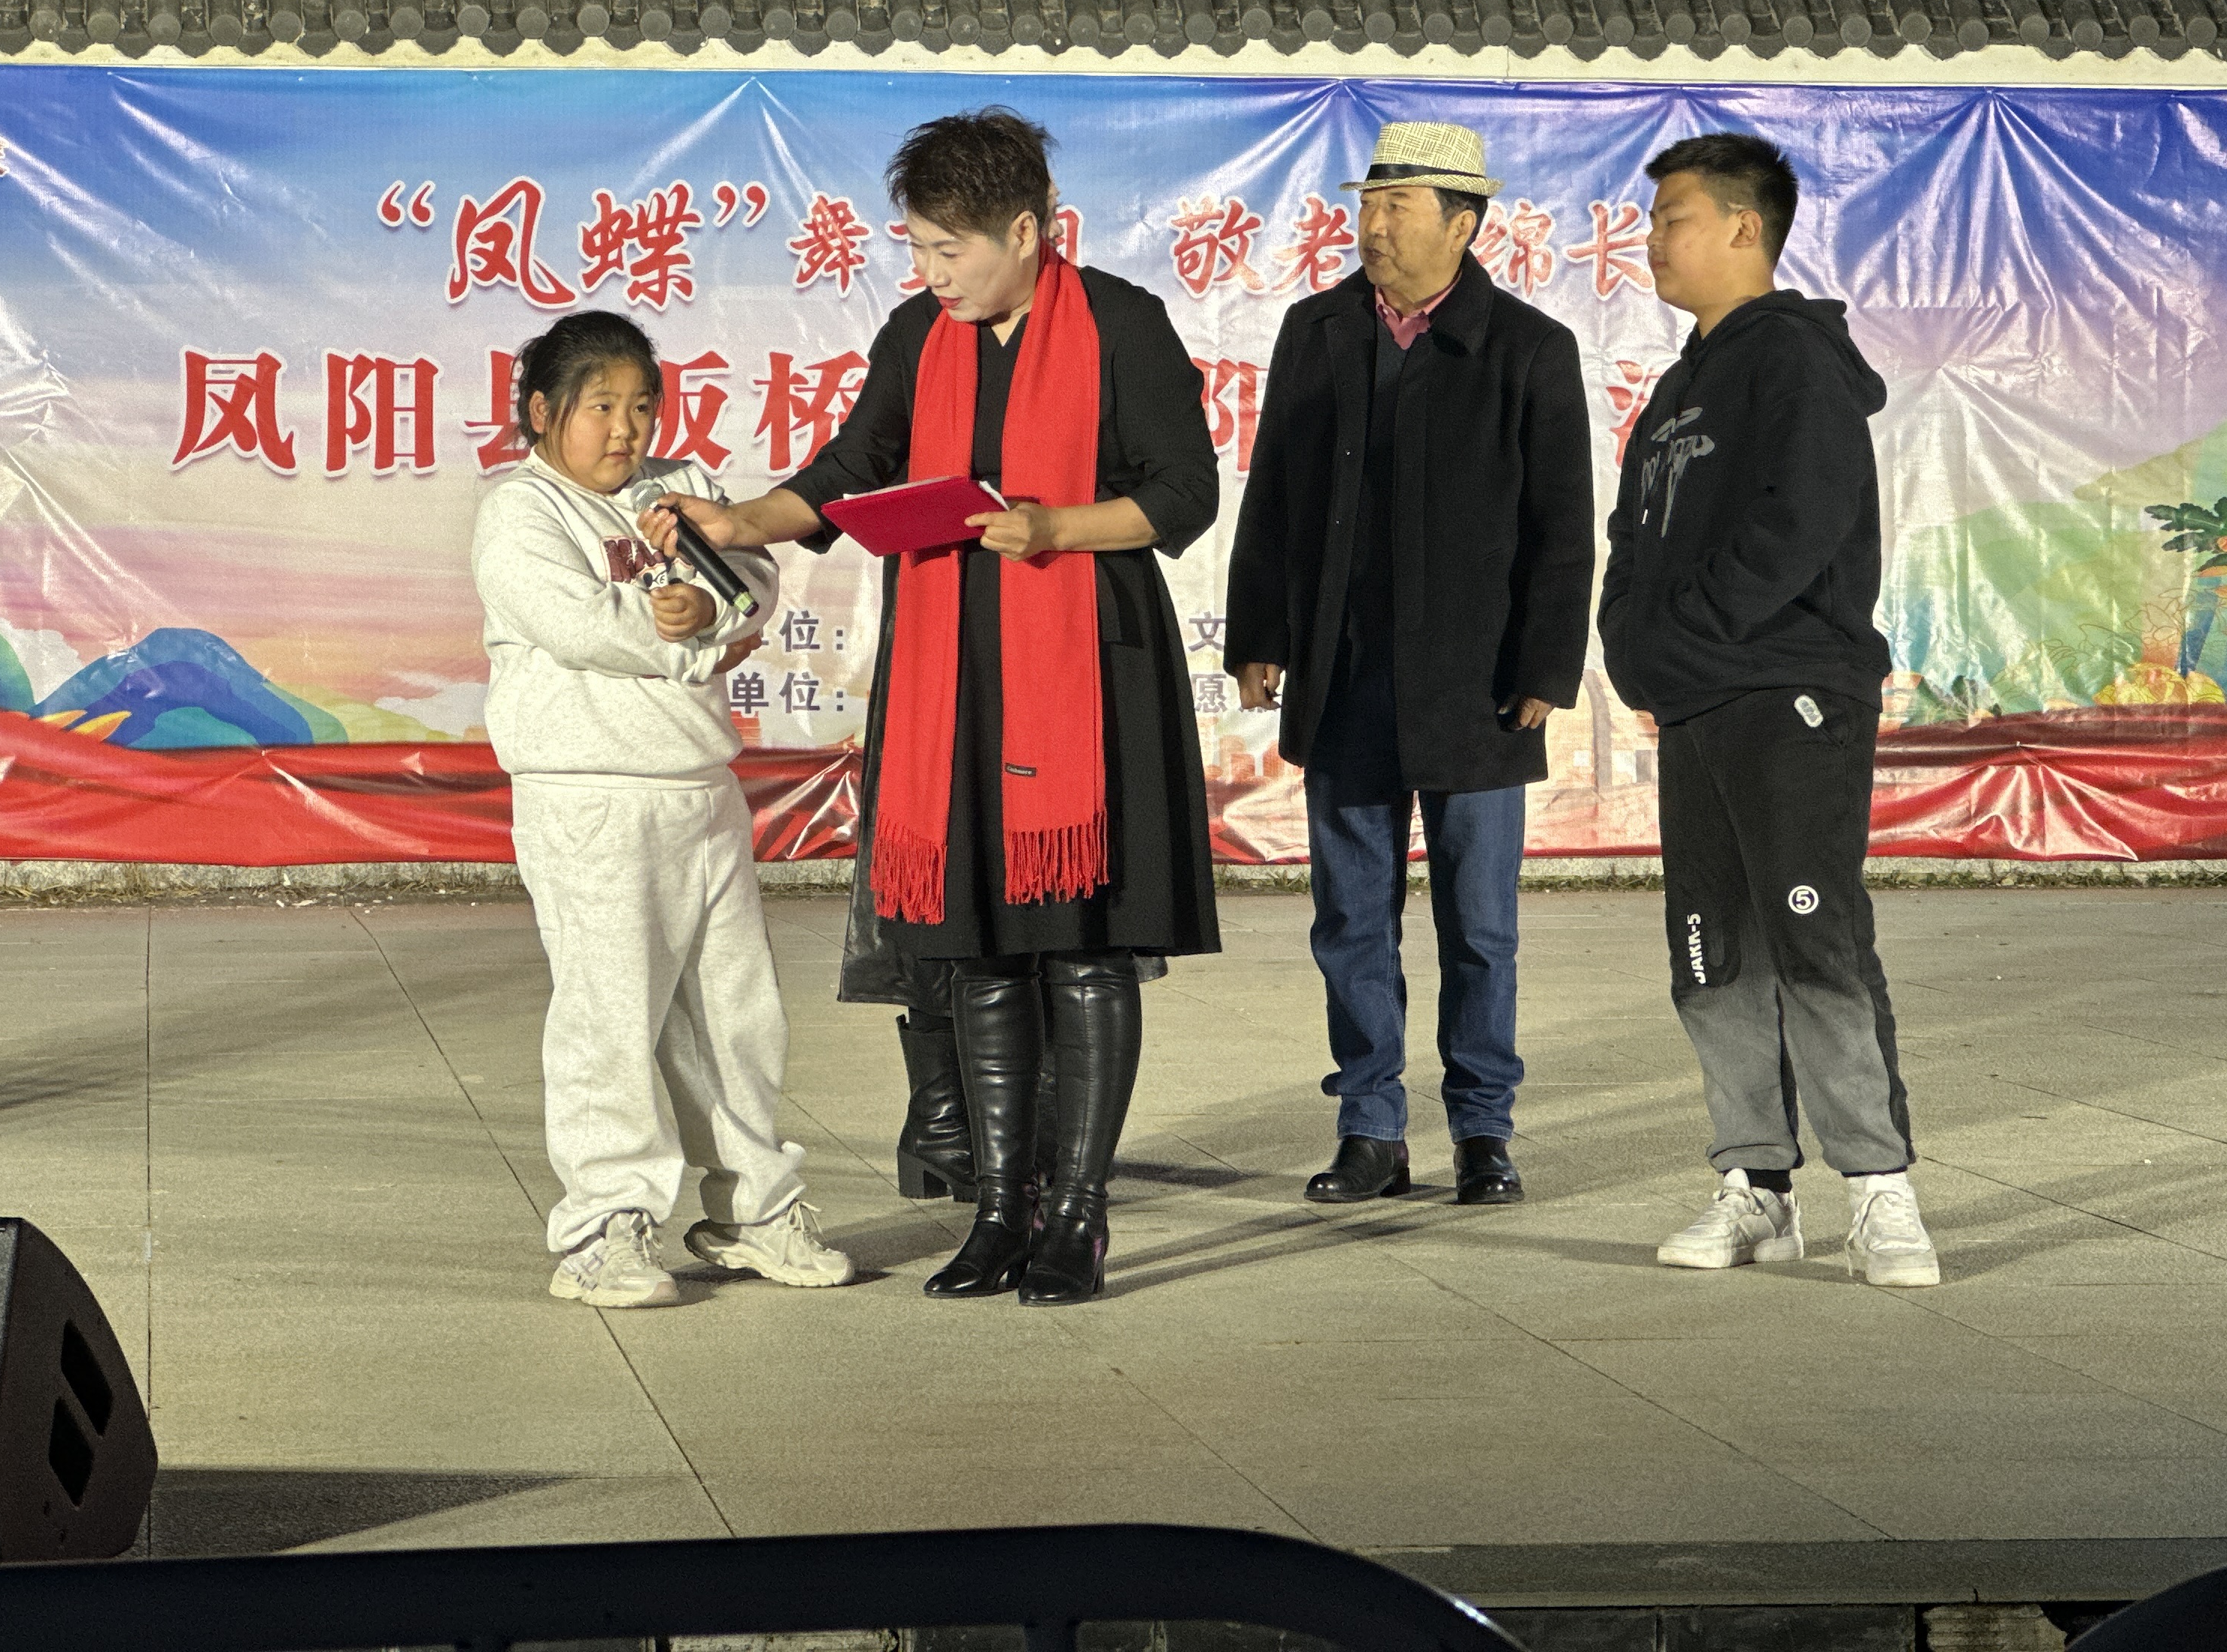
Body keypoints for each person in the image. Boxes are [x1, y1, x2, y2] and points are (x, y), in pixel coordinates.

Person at [658, 107, 1217, 1306]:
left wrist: (1061, 526)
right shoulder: (919, 333)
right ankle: (1000, 1211)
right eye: (916, 248)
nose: (929, 273)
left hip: (1086, 674)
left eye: (949, 250)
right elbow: (854, 468)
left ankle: (1077, 1215)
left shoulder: (1123, 323)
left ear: (1027, 231)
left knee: (1081, 948)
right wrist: (744, 520)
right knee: (979, 952)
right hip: (952, 674)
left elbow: (1186, 493)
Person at [1224, 121, 1593, 1208]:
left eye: (1397, 208)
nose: (1372, 227)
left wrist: (1546, 666)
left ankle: (1483, 1130)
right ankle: (1371, 1128)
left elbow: (1563, 524)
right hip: (1345, 673)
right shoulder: (1319, 330)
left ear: (1463, 223)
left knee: (1480, 927)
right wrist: (1261, 635)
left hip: (1480, 686)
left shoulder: (1526, 346)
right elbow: (1273, 491)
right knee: (1350, 920)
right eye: (1366, 206)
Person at [1597, 132, 1936, 1287]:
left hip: (1791, 694)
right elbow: (1630, 542)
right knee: (1710, 949)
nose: (1653, 240)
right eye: (1652, 221)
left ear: (1745, 227)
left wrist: (1689, 635)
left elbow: (1799, 525)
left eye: (1673, 219)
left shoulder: (1793, 361)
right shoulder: (1678, 388)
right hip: (1697, 703)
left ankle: (1880, 1190)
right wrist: (1638, 650)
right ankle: (1757, 1187)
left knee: (1814, 936)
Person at [470, 311, 851, 1308]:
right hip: (589, 793)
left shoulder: (675, 487)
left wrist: (716, 609)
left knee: (736, 1017)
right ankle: (605, 1226)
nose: (626, 429)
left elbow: (755, 579)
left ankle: (755, 1209)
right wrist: (690, 632)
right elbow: (581, 625)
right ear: (542, 412)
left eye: (642, 406)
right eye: (601, 407)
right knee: (610, 1017)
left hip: (700, 788)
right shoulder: (521, 510)